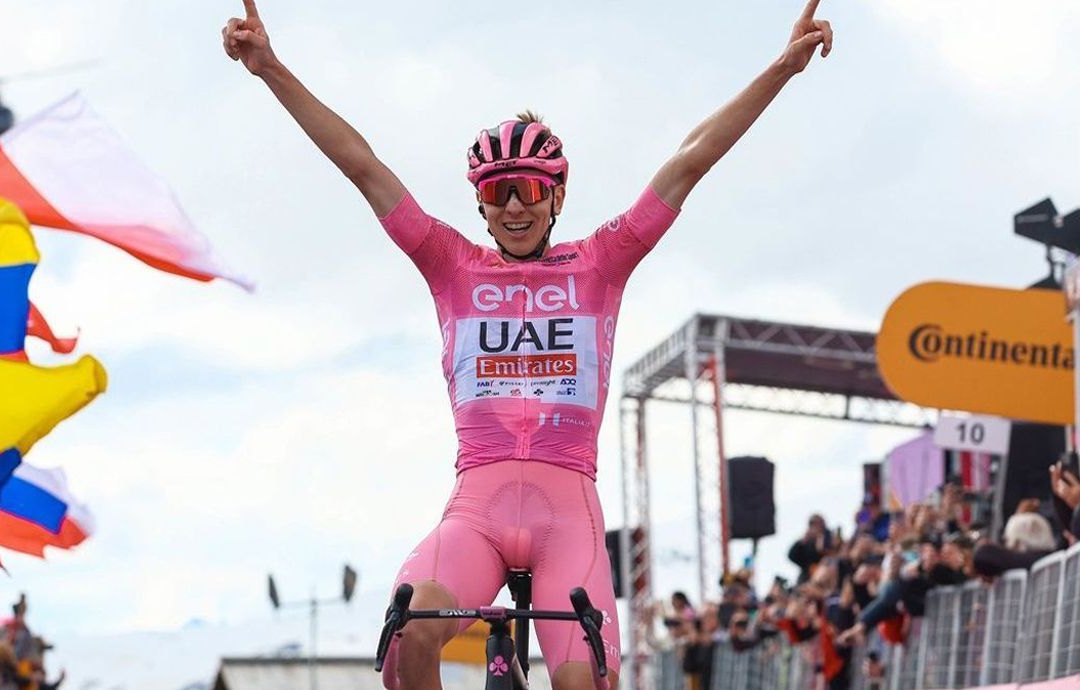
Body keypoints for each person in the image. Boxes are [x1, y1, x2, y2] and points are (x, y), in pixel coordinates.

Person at [223, 1, 833, 687]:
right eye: (499, 191)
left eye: (530, 191)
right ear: (480, 204)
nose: (515, 206)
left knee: (581, 682)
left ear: (557, 195)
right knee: (409, 636)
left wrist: (781, 68)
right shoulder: (450, 264)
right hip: (475, 517)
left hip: (566, 516)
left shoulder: (602, 262)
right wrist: (271, 69)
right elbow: (361, 165)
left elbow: (690, 162)